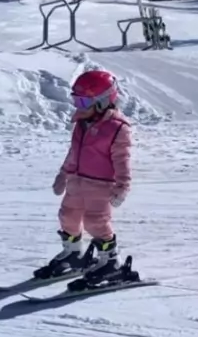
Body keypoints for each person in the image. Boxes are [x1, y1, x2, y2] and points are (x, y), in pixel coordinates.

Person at [36, 68, 132, 282]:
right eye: (76, 102)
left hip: (100, 185)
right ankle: (74, 255)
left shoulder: (117, 128)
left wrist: (122, 186)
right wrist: (63, 174)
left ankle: (109, 262)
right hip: (76, 181)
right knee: (67, 216)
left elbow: (122, 160)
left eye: (84, 103)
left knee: (95, 222)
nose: (79, 108)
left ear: (103, 101)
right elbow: (74, 152)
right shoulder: (81, 122)